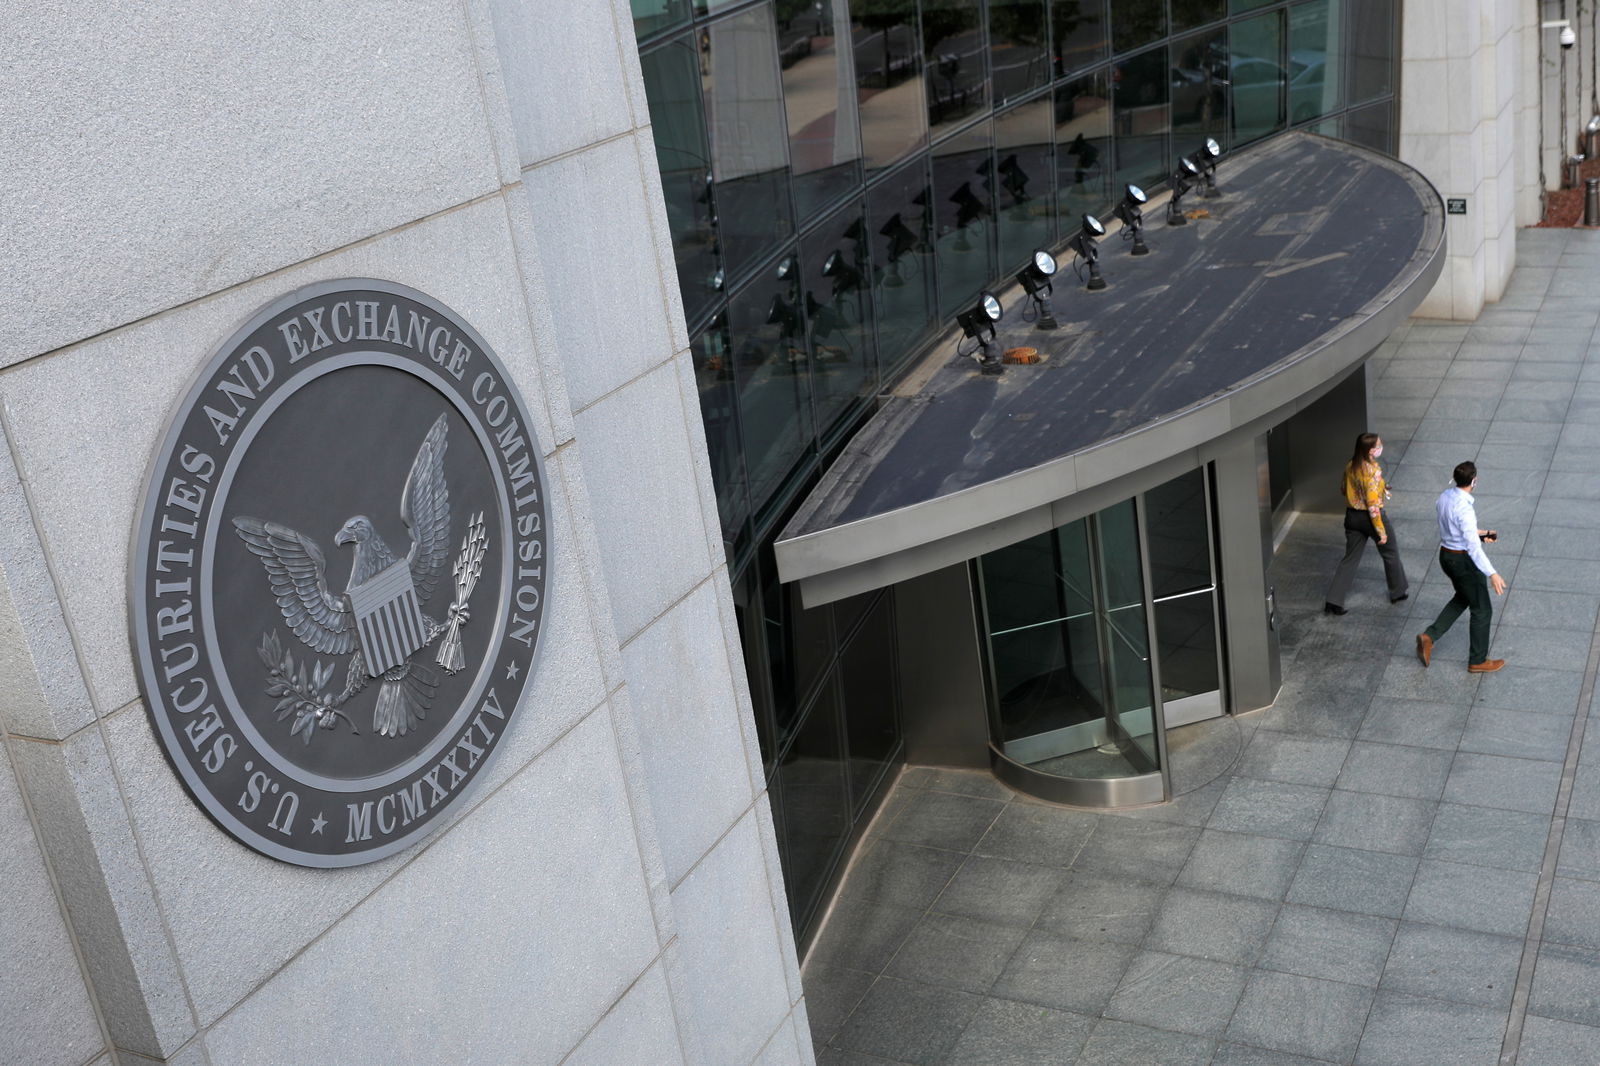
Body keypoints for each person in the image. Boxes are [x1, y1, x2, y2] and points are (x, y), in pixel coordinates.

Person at [1416, 460, 1507, 672]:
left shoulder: (1445, 497)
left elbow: (1454, 529)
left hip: (1446, 555)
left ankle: (1429, 637)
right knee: (1482, 609)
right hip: (1463, 561)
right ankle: (1478, 660)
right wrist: (1492, 573)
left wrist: (1484, 534)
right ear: (1474, 481)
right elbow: (1473, 547)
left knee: (1463, 597)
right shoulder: (1465, 509)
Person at [1324, 433, 1407, 615]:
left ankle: (1333, 600)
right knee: (1390, 552)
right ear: (1371, 450)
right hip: (1371, 518)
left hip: (1352, 517)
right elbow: (1373, 507)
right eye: (1378, 444)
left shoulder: (1350, 465)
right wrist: (1381, 532)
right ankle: (1398, 591)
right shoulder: (1372, 473)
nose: (1381, 446)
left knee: (1350, 559)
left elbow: (1343, 489)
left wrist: (1378, 488)